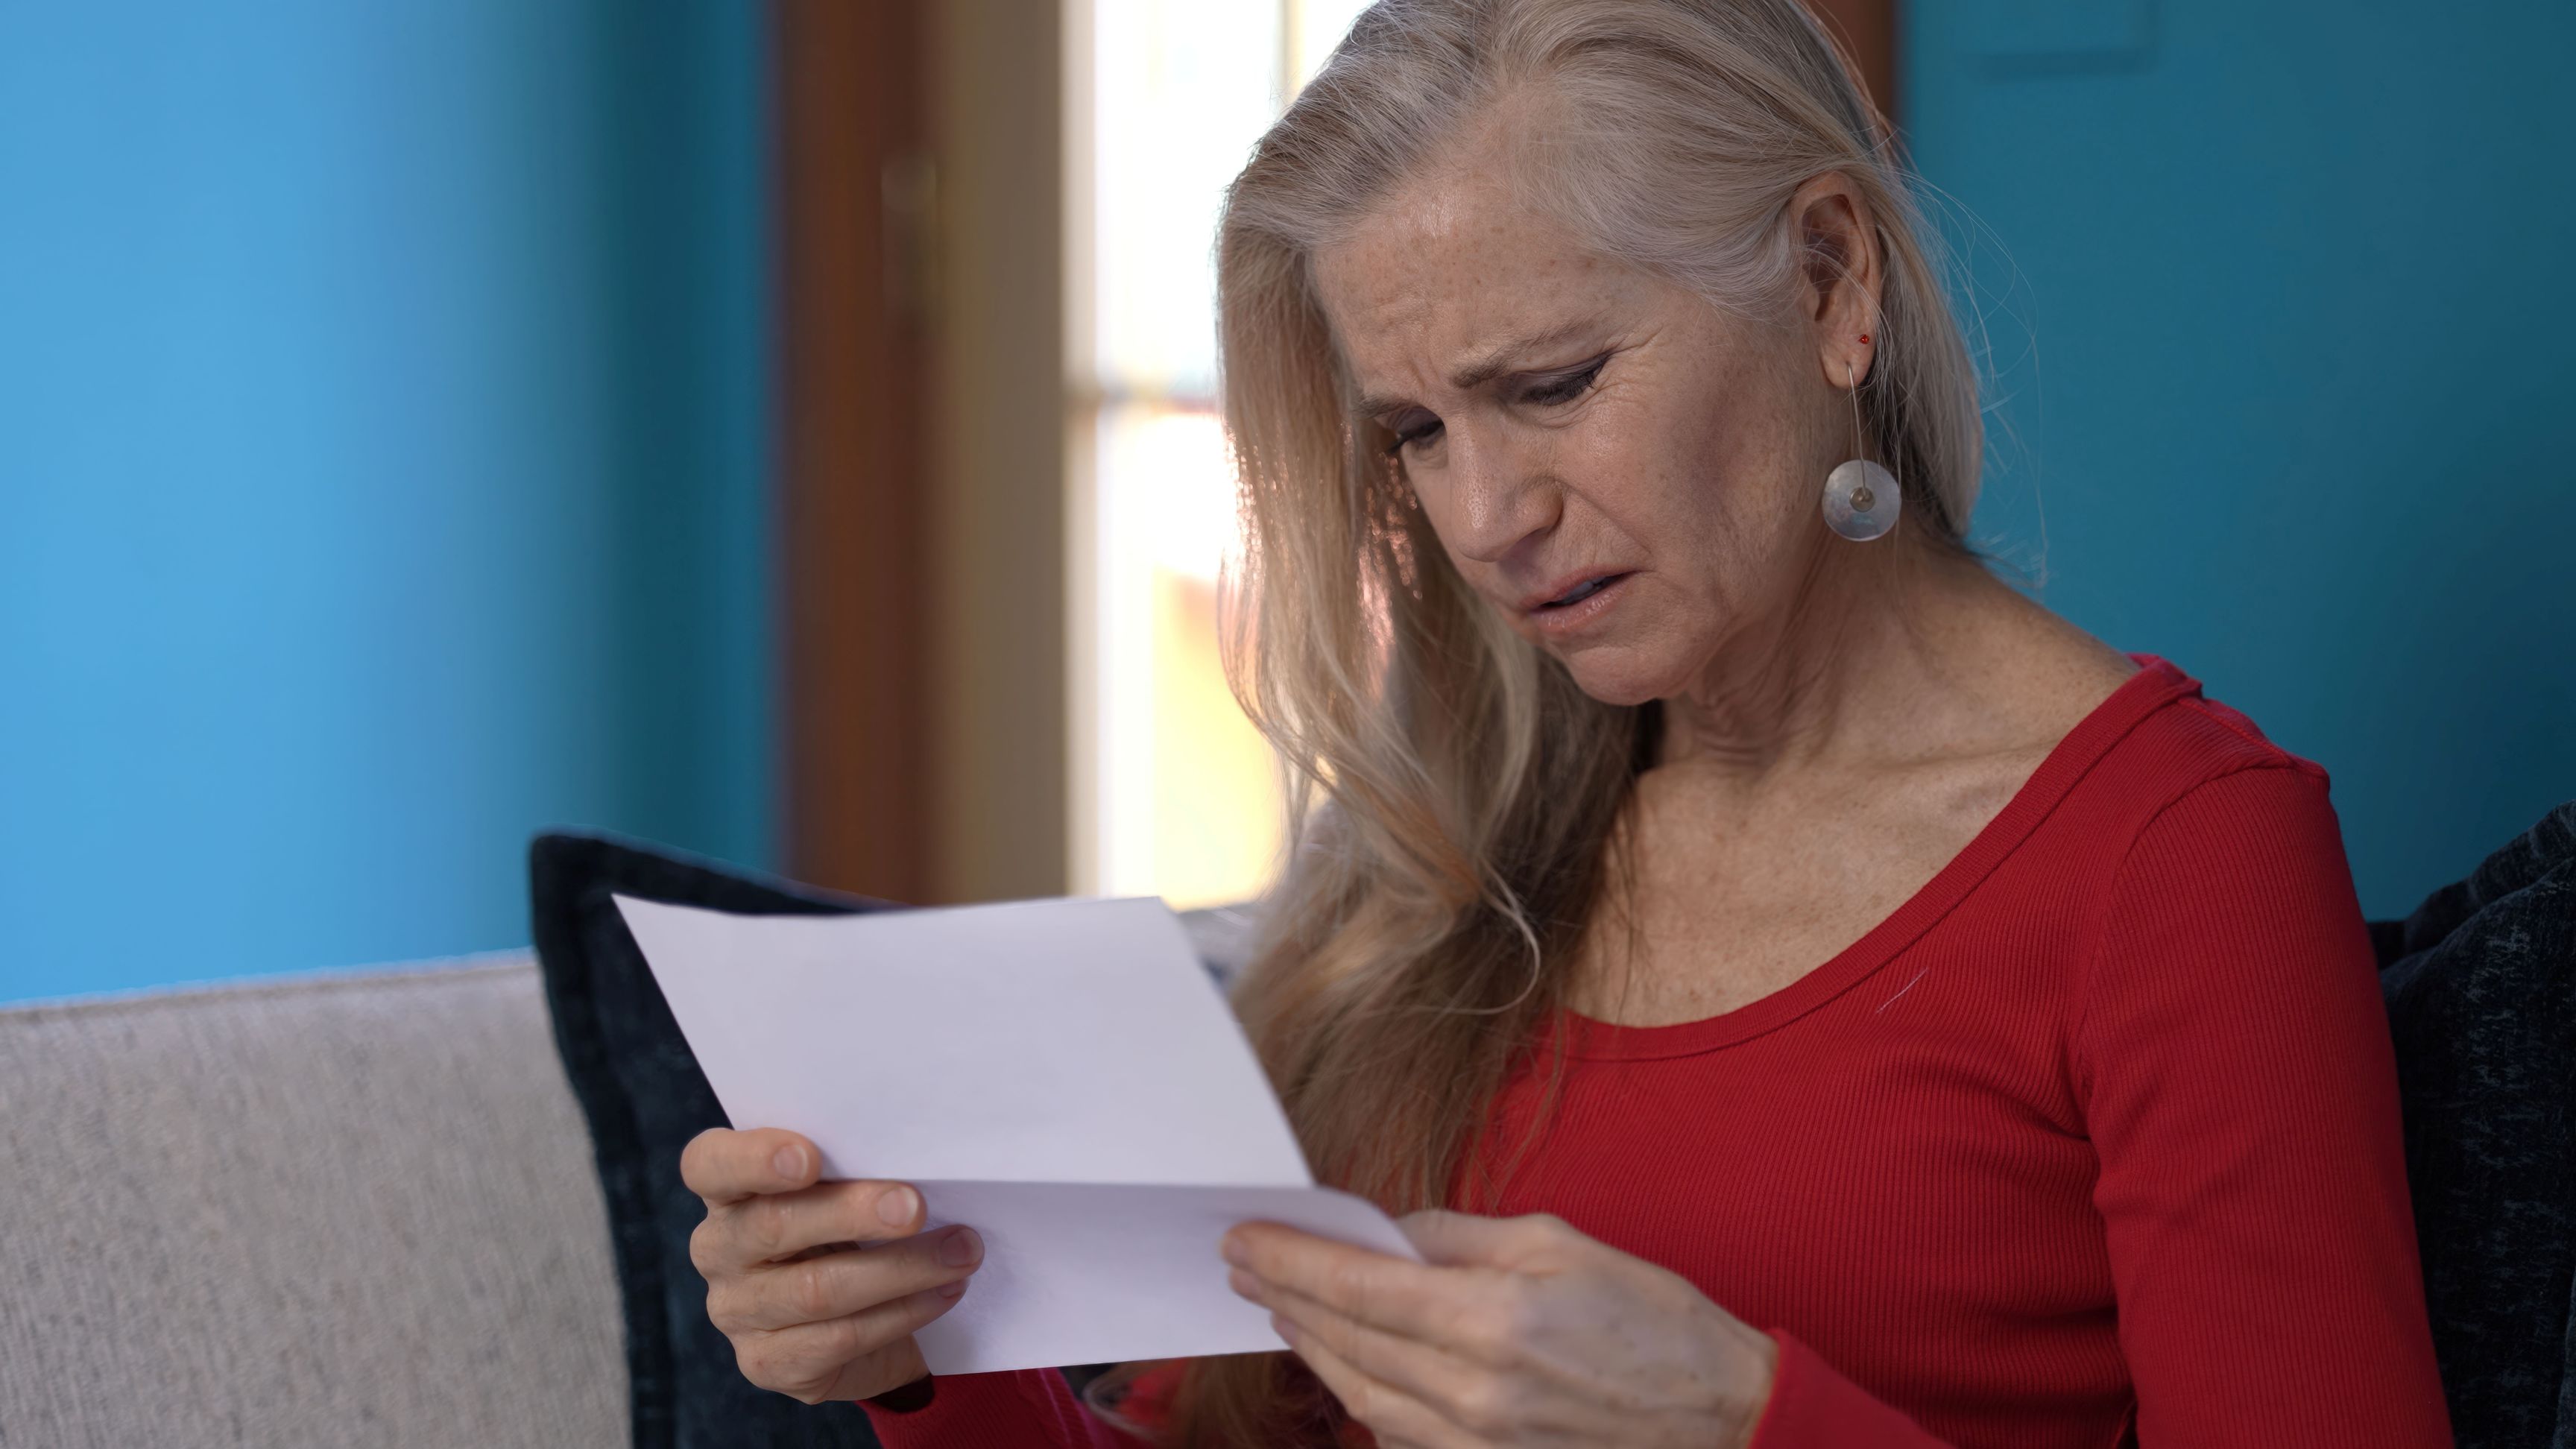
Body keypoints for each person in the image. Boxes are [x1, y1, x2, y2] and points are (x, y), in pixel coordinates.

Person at [678, 0, 2453, 1443]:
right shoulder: (1456, 836)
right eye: (1417, 435)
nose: (1481, 521)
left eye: (1551, 386)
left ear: (1832, 286)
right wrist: (924, 1358)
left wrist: (1740, 1423)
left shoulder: (2175, 857)